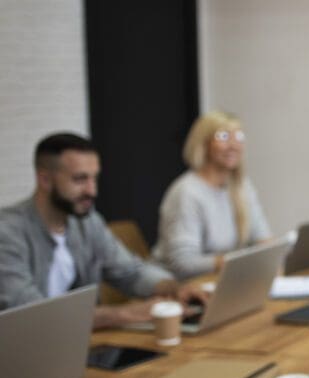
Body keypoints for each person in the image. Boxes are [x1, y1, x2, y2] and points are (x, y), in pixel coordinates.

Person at [0, 133, 207, 328]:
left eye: (94, 178)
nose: (92, 190)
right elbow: (30, 313)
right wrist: (123, 314)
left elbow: (130, 272)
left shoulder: (88, 221)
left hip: (84, 348)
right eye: (80, 179)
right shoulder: (7, 231)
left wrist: (174, 288)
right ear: (45, 180)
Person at [151, 111, 271, 279]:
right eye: (223, 136)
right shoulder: (187, 192)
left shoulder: (242, 186)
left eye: (238, 136)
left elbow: (262, 238)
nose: (233, 145)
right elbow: (183, 262)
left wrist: (272, 257)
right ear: (203, 144)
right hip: (179, 288)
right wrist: (236, 261)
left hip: (222, 279)